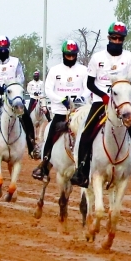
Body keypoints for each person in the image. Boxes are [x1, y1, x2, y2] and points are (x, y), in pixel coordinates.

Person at [73, 23, 131, 187]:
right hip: (100, 101)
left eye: (120, 39)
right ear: (109, 38)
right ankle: (81, 171)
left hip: (121, 102)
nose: (117, 41)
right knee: (86, 133)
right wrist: (103, 96)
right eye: (114, 38)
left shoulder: (130, 58)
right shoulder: (97, 58)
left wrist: (122, 96)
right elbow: (89, 83)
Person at [33, 41, 89, 182]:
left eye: (73, 55)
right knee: (51, 134)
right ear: (64, 54)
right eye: (68, 55)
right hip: (60, 111)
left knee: (90, 133)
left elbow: (88, 87)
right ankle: (44, 164)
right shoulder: (55, 70)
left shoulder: (83, 70)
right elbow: (48, 90)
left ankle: (90, 165)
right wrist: (61, 99)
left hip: (79, 111)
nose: (71, 58)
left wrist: (81, 97)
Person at [0, 36, 35, 163]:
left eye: (5, 49)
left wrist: (12, 84)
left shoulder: (15, 62)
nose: (3, 51)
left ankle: (32, 146)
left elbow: (20, 77)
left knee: (26, 117)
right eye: (0, 49)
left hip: (13, 98)